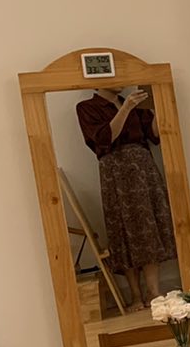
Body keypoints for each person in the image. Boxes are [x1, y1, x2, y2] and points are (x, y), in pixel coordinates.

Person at [75, 86, 177, 310]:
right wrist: (126, 108)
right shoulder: (87, 107)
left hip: (142, 167)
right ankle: (135, 295)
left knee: (148, 227)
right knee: (123, 231)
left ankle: (154, 292)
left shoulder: (134, 102)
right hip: (115, 171)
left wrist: (158, 103)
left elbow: (154, 134)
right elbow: (105, 138)